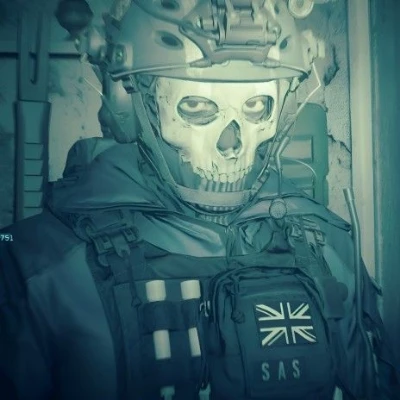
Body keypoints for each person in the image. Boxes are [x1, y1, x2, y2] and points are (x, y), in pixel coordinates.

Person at [0, 0, 399, 399]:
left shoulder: (326, 243)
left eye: (256, 106)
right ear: (136, 105)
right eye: (196, 106)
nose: (231, 144)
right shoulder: (36, 264)